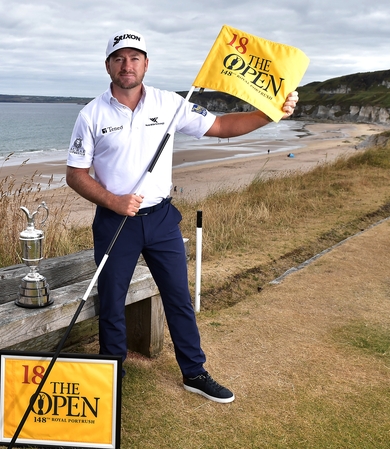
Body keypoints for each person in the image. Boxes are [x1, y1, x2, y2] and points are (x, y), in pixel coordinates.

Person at [66, 29, 298, 403]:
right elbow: (75, 174)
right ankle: (112, 371)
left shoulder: (169, 102)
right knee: (111, 302)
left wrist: (271, 113)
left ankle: (194, 372)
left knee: (178, 297)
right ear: (108, 64)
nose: (128, 65)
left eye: (135, 57)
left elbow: (221, 127)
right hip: (115, 221)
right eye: (119, 58)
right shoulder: (90, 114)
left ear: (146, 63)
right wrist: (112, 200)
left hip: (160, 219)